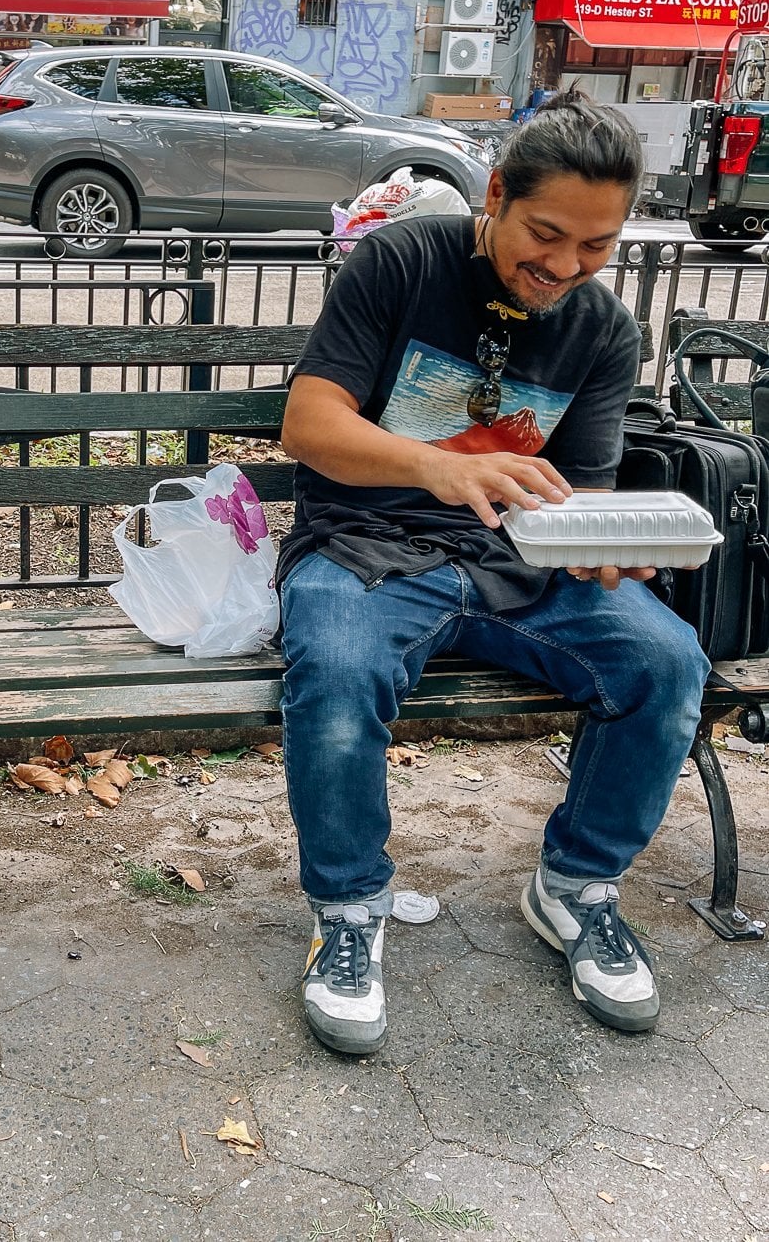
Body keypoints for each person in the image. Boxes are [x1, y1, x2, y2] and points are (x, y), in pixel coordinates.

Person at [277, 89, 708, 1057]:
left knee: (666, 660)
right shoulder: (401, 259)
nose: (564, 267)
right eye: (545, 234)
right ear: (498, 194)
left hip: (516, 564)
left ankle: (575, 889)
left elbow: (571, 493)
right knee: (337, 672)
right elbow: (309, 429)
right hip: (365, 546)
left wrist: (606, 540)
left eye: (594, 247)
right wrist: (439, 464)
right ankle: (347, 909)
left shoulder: (599, 329)